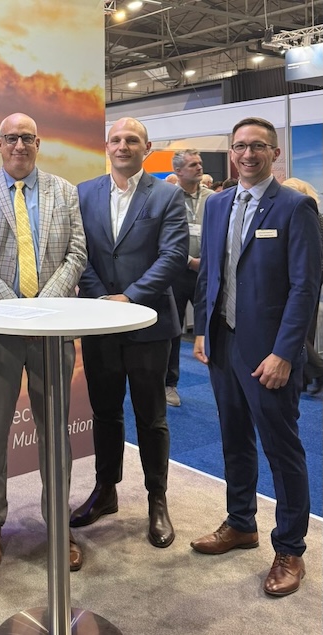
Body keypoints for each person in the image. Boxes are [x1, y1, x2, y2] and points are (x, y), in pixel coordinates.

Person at [191, 117, 321, 597]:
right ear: (231, 152)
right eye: (240, 146)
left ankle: (289, 548)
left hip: (270, 354)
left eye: (258, 146)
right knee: (234, 438)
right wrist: (202, 331)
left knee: (282, 449)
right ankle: (241, 522)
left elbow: (305, 287)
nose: (248, 154)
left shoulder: (295, 206)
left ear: (275, 153)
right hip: (223, 344)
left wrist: (285, 353)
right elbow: (209, 273)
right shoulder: (217, 203)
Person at [0, 113, 87, 572]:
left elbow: (76, 252)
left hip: (52, 330)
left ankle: (59, 524)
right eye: (11, 138)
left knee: (55, 430)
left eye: (27, 138)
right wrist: (16, 311)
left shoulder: (63, 191)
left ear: (38, 143)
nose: (19, 145)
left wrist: (43, 309)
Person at [69, 117, 188, 549]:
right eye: (116, 139)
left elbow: (173, 255)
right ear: (107, 146)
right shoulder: (84, 193)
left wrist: (130, 298)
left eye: (132, 140)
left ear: (147, 147)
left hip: (148, 324)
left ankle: (158, 499)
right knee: (105, 412)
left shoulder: (168, 195)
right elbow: (78, 253)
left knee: (151, 416)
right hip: (99, 322)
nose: (123, 146)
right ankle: (106, 491)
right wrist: (104, 299)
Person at [165, 149, 214, 407]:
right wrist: (189, 261)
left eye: (200, 163)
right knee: (173, 330)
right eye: (193, 164)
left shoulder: (213, 198)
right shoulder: (167, 198)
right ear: (178, 171)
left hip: (208, 272)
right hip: (175, 272)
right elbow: (163, 236)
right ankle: (169, 384)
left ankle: (224, 383)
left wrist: (207, 261)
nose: (199, 167)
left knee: (214, 327)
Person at [281, 177, 323, 394]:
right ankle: (305, 377)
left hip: (298, 281)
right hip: (310, 281)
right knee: (306, 330)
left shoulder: (303, 217)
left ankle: (317, 370)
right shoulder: (315, 216)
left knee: (295, 329)